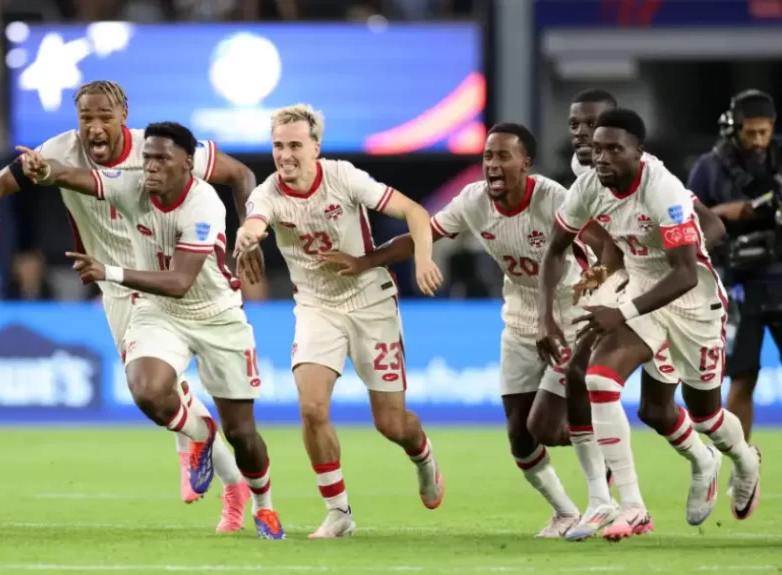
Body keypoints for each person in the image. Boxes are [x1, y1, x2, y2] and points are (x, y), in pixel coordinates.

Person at [0, 80, 255, 532]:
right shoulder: (58, 150)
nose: (96, 127)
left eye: (106, 116)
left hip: (174, 276)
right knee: (157, 395)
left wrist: (249, 232)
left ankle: (223, 480)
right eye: (87, 118)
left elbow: (240, 175)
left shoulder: (158, 149)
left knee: (159, 388)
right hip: (118, 287)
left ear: (125, 114)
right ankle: (206, 448)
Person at [319, 123, 592, 537]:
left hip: (569, 317)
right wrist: (366, 261)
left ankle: (605, 450)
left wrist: (609, 278)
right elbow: (422, 232)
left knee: (547, 428)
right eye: (487, 157)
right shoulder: (474, 200)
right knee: (520, 436)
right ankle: (565, 512)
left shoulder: (555, 199)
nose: (493, 165)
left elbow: (601, 240)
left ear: (527, 163)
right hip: (518, 317)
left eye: (503, 156)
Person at [16, 121, 286, 540]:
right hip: (159, 312)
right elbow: (76, 176)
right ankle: (199, 432)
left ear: (188, 164)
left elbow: (180, 281)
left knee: (243, 435)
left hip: (216, 315)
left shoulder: (204, 205)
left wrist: (110, 271)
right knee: (145, 388)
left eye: (162, 159)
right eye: (147, 158)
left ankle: (263, 504)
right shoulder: (131, 185)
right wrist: (44, 170)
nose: (152, 167)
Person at [538, 108, 762, 542]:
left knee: (706, 416)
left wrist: (619, 312)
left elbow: (682, 272)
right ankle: (632, 507)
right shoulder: (587, 187)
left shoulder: (664, 190)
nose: (601, 157)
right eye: (597, 149)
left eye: (613, 149)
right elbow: (555, 249)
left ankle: (744, 460)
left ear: (639, 153)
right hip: (643, 295)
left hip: (692, 303)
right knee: (600, 380)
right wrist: (546, 318)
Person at [232, 103, 444, 539]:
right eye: (277, 146)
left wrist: (423, 258)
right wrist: (246, 238)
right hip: (316, 307)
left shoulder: (344, 177)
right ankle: (339, 511)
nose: (285, 155)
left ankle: (422, 456)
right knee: (311, 408)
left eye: (294, 145)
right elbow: (254, 222)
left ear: (316, 147)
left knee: (391, 423)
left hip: (371, 302)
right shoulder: (268, 193)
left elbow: (416, 213)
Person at [687, 90, 781, 491]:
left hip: (780, 275)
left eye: (765, 132)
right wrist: (731, 213)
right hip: (736, 282)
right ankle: (743, 466)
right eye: (750, 133)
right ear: (735, 127)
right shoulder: (710, 167)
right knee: (742, 377)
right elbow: (689, 216)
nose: (758, 140)